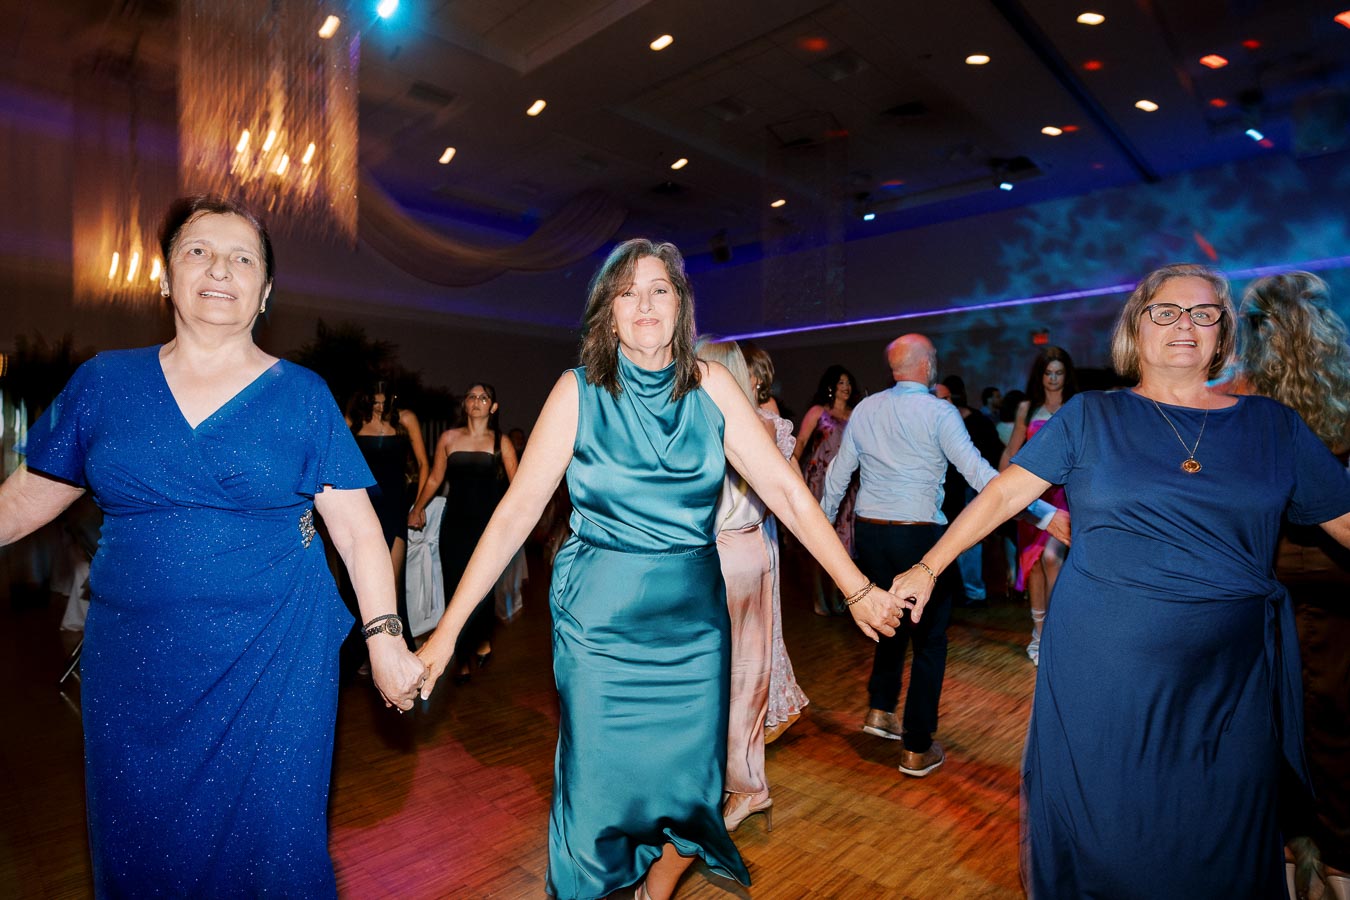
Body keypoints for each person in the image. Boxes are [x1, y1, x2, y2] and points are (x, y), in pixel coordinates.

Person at [413, 238, 908, 900]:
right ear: (607, 313)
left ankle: (655, 893)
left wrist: (855, 586)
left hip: (691, 628)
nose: (644, 302)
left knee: (693, 792)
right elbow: (514, 516)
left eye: (659, 289)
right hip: (599, 627)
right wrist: (446, 635)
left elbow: (788, 492)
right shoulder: (578, 392)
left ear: (681, 307)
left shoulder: (714, 388)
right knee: (595, 797)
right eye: (628, 291)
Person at [0, 195, 426, 896]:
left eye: (242, 258)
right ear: (165, 276)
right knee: (141, 844)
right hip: (135, 664)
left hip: (274, 657)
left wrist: (384, 638)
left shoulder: (303, 394)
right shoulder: (104, 382)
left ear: (265, 293)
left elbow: (355, 527)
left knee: (275, 847)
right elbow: (22, 502)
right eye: (198, 251)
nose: (219, 268)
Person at [888, 263, 1350, 897]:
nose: (1185, 325)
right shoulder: (1091, 416)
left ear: (1225, 332)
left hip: (1230, 679)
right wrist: (926, 565)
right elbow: (1001, 497)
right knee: (1113, 842)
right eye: (1166, 311)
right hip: (1105, 672)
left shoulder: (1273, 427)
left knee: (1221, 835)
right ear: (1138, 327)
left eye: (1203, 313)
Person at [823, 334, 1067, 777]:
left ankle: (880, 710)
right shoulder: (939, 411)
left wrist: (820, 537)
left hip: (872, 534)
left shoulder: (866, 409)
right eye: (933, 358)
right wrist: (1042, 513)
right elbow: (981, 475)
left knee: (886, 621)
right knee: (930, 641)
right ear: (925, 365)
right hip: (920, 537)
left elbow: (837, 479)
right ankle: (917, 746)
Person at [1232, 271, 1350, 900]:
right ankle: (1334, 865)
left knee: (1268, 726)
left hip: (1265, 583)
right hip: (1329, 586)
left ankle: (1290, 860)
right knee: (1331, 725)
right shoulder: (1344, 390)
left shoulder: (1234, 398)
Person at [696, 338, 791, 834]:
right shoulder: (765, 426)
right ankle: (739, 781)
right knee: (741, 675)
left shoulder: (717, 428)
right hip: (748, 552)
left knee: (729, 677)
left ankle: (746, 785)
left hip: (726, 556)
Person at [408, 382, 518, 682]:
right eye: (471, 396)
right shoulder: (448, 438)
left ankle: (481, 638)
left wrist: (515, 524)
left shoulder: (501, 442)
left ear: (493, 407)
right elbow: (434, 478)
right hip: (454, 525)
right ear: (465, 404)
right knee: (454, 588)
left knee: (482, 588)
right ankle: (461, 657)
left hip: (488, 529)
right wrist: (418, 508)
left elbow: (519, 487)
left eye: (484, 397)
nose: (477, 401)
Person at [742, 343, 808, 744]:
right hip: (741, 533)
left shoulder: (767, 419)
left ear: (756, 378)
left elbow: (790, 484)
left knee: (762, 625)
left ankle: (768, 710)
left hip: (756, 533)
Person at [999, 346, 1078, 664]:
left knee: (1051, 558)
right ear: (1040, 375)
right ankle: (1039, 635)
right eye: (1049, 372)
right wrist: (998, 486)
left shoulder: (1075, 406)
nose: (1054, 379)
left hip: (1064, 495)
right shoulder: (1027, 409)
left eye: (1059, 372)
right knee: (1032, 565)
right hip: (1032, 497)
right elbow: (1012, 451)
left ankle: (1058, 634)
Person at [347, 381, 429, 647]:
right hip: (361, 511)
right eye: (375, 402)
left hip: (394, 508)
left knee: (391, 585)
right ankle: (366, 650)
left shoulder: (406, 419)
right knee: (363, 584)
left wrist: (418, 506)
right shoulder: (353, 422)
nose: (381, 407)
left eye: (385, 402)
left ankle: (395, 648)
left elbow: (424, 464)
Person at [793, 364, 861, 615]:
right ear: (831, 387)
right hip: (820, 483)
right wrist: (791, 474)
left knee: (843, 543)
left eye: (848, 382)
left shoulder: (855, 415)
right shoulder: (818, 412)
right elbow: (800, 442)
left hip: (848, 486)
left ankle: (838, 595)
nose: (846, 387)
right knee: (822, 542)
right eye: (841, 382)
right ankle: (819, 596)